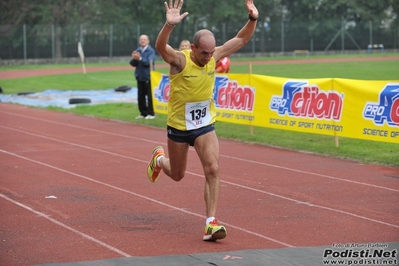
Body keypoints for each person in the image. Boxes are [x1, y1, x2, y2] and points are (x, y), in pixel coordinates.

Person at [147, 0, 259, 241]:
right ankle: (159, 160)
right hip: (178, 127)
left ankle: (211, 223)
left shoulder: (214, 55)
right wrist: (169, 24)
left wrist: (252, 19)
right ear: (194, 48)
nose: (210, 58)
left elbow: (241, 40)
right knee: (178, 175)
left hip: (204, 125)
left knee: (213, 169)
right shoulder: (180, 60)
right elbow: (160, 46)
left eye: (212, 52)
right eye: (205, 53)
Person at [130, 34, 156, 119]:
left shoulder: (151, 51)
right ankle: (143, 113)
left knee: (150, 96)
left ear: (148, 41)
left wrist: (140, 58)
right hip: (139, 76)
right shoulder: (138, 50)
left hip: (148, 77)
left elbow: (149, 62)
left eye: (144, 39)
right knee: (140, 96)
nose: (142, 41)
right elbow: (132, 63)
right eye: (141, 39)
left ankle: (151, 113)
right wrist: (134, 58)